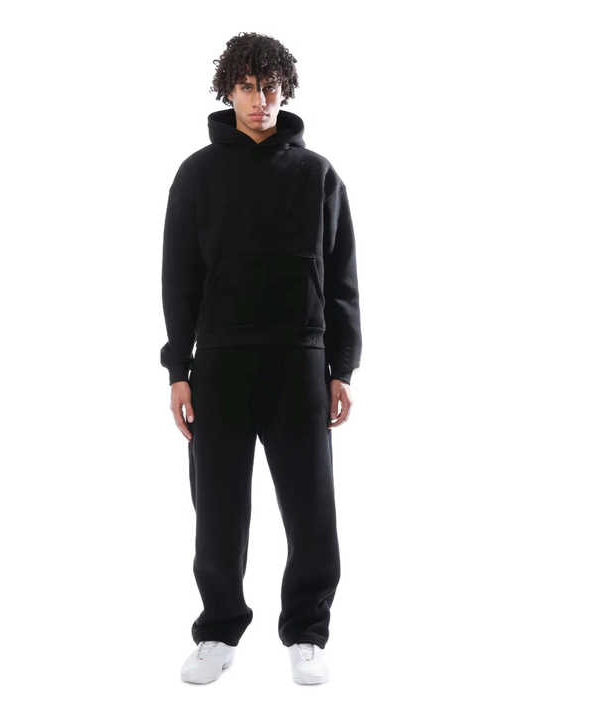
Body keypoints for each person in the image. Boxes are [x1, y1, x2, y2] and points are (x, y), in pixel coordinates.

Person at [160, 32, 362, 685]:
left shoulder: (317, 175)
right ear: (229, 90)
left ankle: (307, 632)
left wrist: (342, 365)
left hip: (299, 362)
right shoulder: (197, 175)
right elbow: (179, 278)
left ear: (285, 90)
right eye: (247, 86)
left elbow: (341, 277)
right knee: (218, 507)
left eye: (270, 87)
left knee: (311, 506)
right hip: (219, 362)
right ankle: (218, 631)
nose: (259, 100)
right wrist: (178, 370)